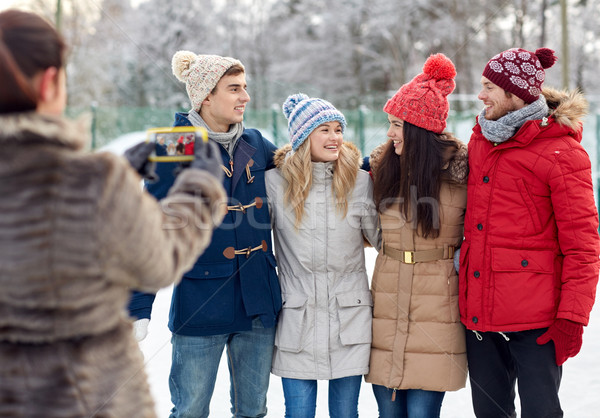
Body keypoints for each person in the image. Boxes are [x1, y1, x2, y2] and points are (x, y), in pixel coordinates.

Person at [0, 9, 226, 418]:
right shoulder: (90, 182)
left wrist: (120, 176)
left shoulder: (96, 180)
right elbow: (158, 262)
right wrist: (201, 187)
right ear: (51, 81)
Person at [128, 51, 282, 418]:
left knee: (253, 411)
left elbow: (307, 166)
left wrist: (373, 165)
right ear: (205, 97)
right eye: (234, 89)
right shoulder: (173, 146)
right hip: (200, 307)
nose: (245, 97)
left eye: (245, 88)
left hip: (257, 304)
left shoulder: (256, 143)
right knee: (191, 410)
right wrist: (138, 304)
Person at [459, 47, 600, 417]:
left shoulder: (562, 154)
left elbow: (583, 246)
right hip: (480, 317)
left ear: (515, 93)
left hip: (537, 322)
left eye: (489, 86)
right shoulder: (479, 141)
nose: (481, 95)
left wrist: (572, 316)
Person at [365, 53, 468, 418]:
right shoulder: (381, 169)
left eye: (396, 124)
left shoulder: (461, 177)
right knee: (388, 414)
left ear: (419, 129)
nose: (390, 132)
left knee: (423, 414)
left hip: (437, 307)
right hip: (387, 304)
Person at [266, 94, 380, 417]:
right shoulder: (275, 184)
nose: (335, 138)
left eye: (338, 130)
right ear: (303, 137)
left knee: (346, 413)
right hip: (296, 323)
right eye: (325, 130)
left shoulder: (358, 183)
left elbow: (384, 240)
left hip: (350, 320)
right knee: (298, 412)